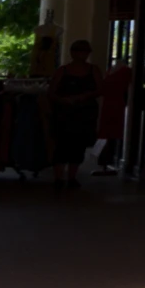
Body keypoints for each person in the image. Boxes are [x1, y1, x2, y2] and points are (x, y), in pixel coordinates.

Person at [46, 40, 103, 187]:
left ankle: (71, 177)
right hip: (64, 113)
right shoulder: (63, 70)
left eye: (85, 51)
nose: (82, 54)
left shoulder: (93, 70)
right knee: (61, 144)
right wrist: (64, 100)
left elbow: (100, 89)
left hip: (84, 114)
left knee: (79, 145)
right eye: (79, 51)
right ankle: (59, 177)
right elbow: (51, 92)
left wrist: (83, 97)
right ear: (72, 53)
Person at [92, 56, 132, 176]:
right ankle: (106, 160)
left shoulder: (124, 72)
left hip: (116, 105)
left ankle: (109, 159)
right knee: (109, 132)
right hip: (110, 104)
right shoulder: (114, 70)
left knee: (112, 131)